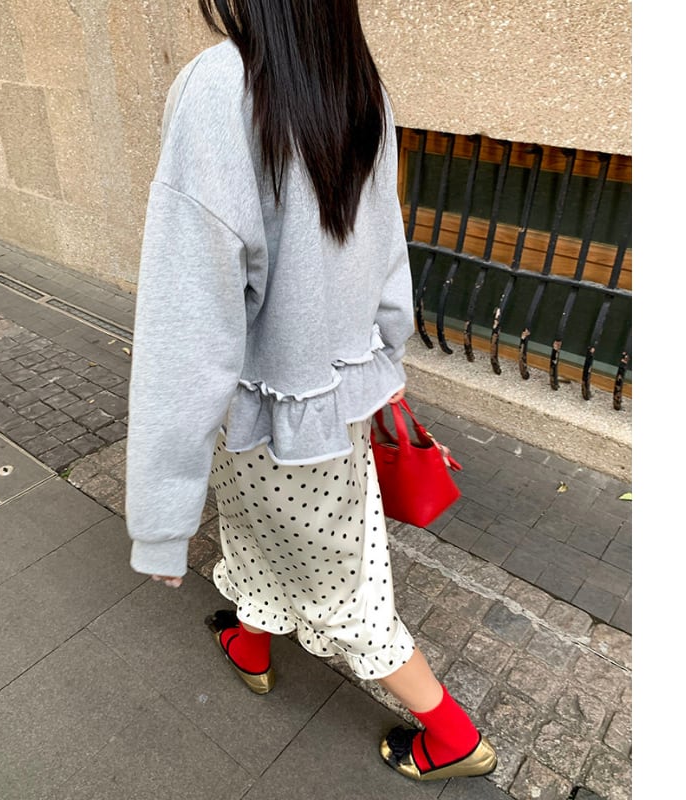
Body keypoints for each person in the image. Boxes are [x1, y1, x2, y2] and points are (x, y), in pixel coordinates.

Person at [125, 0, 497, 782]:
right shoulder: (358, 85)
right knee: (264, 539)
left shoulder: (221, 87)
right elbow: (388, 253)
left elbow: (187, 326)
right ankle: (251, 645)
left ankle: (454, 736)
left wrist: (160, 521)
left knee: (345, 591)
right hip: (332, 401)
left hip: (264, 405)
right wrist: (383, 365)